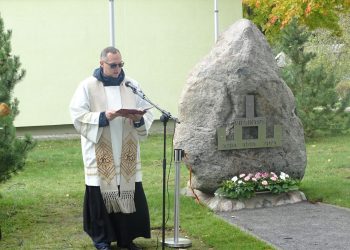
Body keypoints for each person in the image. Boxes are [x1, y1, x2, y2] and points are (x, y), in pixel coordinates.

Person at [69, 46, 153, 250]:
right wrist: (103, 116)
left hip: (126, 151)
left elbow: (147, 110)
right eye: (113, 65)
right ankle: (102, 239)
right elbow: (77, 115)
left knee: (128, 191)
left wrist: (138, 119)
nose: (117, 69)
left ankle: (127, 238)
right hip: (101, 149)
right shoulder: (87, 86)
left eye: (120, 65)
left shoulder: (131, 84)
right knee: (100, 194)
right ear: (101, 64)